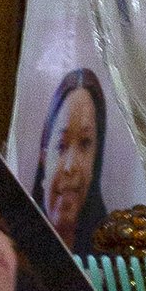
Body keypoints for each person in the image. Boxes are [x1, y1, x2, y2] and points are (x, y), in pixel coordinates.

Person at [37, 66, 109, 253]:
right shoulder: (11, 248)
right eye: (61, 146)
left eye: (85, 144)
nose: (70, 167)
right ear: (44, 156)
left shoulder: (111, 259)